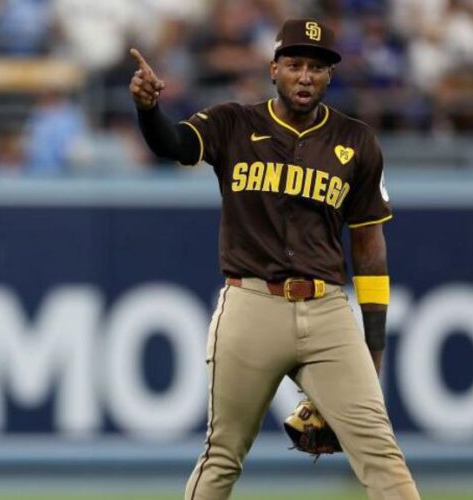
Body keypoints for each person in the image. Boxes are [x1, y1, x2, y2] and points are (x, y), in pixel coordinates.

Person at [129, 19, 421, 500]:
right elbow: (173, 144)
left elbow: (369, 246)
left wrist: (373, 346)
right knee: (222, 455)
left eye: (316, 67)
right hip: (251, 304)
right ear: (273, 70)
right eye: (294, 65)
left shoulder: (357, 142)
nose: (305, 76)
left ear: (329, 76)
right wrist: (148, 110)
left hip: (328, 312)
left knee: (382, 454)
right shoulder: (233, 123)